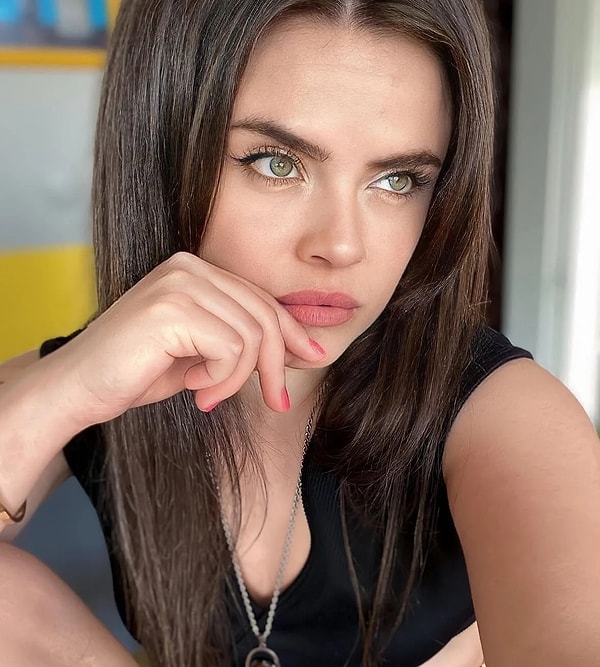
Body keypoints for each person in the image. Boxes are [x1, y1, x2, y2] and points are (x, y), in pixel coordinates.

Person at [1, 0, 599, 665]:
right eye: (276, 163)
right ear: (161, 153)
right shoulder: (110, 369)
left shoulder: (503, 415)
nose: (341, 246)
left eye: (398, 179)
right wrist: (60, 395)